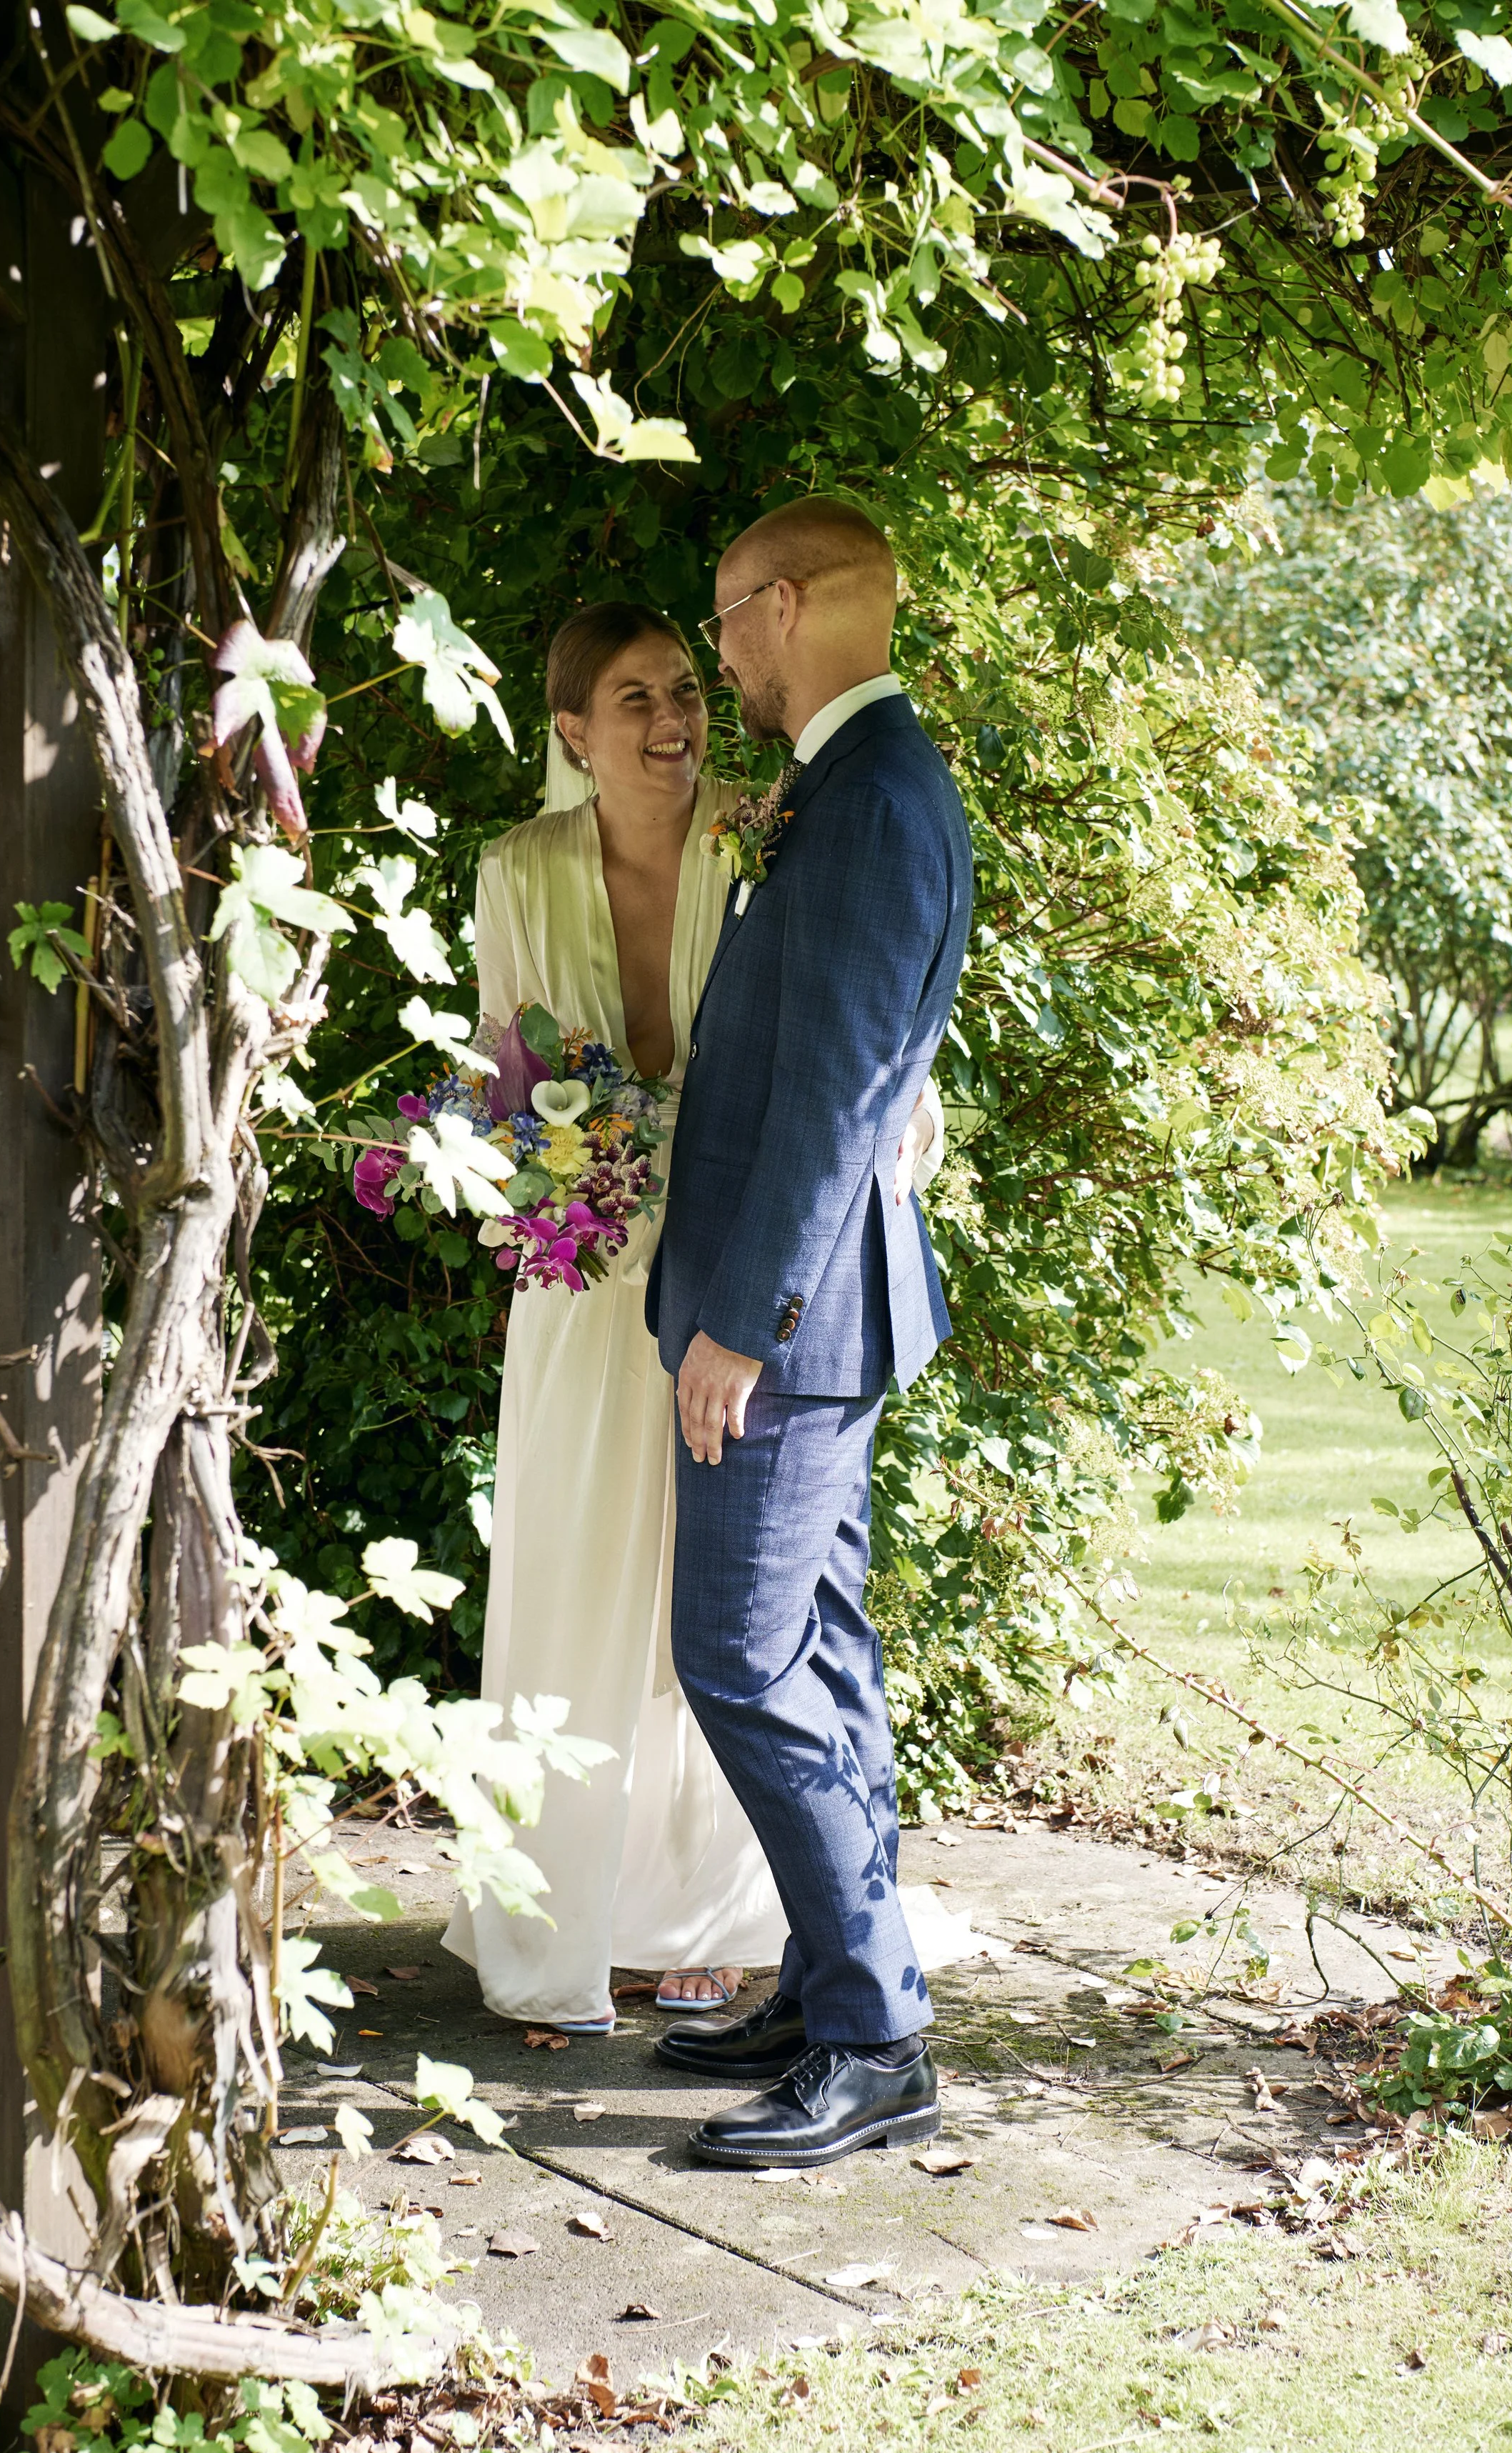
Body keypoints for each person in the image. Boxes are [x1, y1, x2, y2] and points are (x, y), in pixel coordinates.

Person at [441, 601, 943, 2032]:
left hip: (734, 1268)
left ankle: (715, 1907)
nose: (673, 720)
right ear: (571, 733)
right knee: (584, 1567)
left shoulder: (765, 831)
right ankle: (560, 1903)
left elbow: (865, 1039)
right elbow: (498, 1065)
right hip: (588, 1278)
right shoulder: (517, 870)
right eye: (635, 698)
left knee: (728, 1600)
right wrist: (526, 1169)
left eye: (686, 689)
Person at [646, 498, 973, 2167]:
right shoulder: (862, 786)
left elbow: (839, 1088)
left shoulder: (872, 799)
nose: (716, 652)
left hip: (792, 1321)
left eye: (725, 616)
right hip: (818, 1312)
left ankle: (875, 2037)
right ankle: (837, 1976)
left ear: (785, 604)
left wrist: (745, 1326)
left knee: (742, 1658)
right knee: (821, 1652)